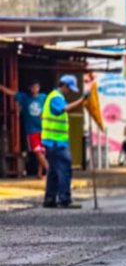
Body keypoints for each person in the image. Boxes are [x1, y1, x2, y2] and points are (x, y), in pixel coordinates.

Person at [42, 74, 90, 209]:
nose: (69, 92)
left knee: (53, 172)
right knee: (64, 170)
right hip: (56, 142)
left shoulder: (54, 97)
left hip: (52, 141)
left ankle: (50, 199)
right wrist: (82, 100)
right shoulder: (56, 97)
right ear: (63, 86)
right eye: (69, 89)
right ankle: (65, 199)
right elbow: (65, 109)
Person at [0, 79, 49, 177]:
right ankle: (50, 171)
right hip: (32, 130)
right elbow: (11, 93)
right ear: (30, 88)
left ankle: (40, 173)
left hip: (44, 128)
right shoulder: (24, 98)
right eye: (33, 87)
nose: (35, 89)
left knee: (42, 151)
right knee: (37, 151)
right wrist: (1, 87)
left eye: (37, 87)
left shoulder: (43, 97)